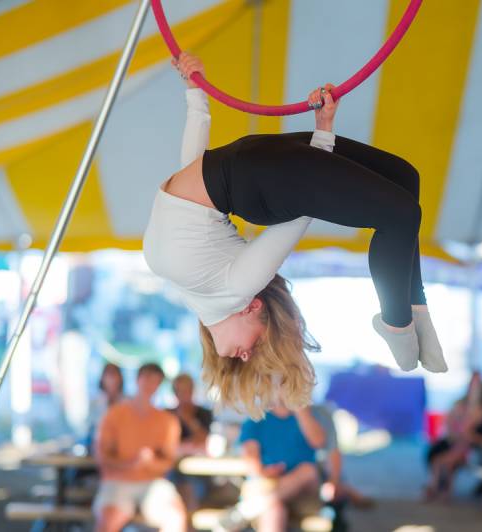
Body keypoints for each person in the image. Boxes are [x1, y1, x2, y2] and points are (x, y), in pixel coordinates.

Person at [143, 53, 448, 417]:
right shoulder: (234, 289)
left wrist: (196, 94)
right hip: (267, 172)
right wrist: (323, 136)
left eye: (243, 356)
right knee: (403, 196)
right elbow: (301, 209)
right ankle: (411, 311)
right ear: (255, 307)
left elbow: (190, 172)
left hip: (259, 166)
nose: (244, 354)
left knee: (402, 197)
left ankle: (398, 321)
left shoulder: (210, 287)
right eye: (255, 350)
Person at [93, 363, 185, 532]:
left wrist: (149, 463)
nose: (150, 385)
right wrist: (130, 464)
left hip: (153, 483)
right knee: (108, 521)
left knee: (176, 518)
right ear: (137, 380)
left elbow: (168, 460)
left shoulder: (167, 421)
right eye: (147, 379)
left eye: (155, 381)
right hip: (117, 482)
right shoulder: (114, 414)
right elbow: (101, 456)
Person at [217, 403, 326, 532]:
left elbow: (319, 442)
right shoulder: (257, 418)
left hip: (303, 493)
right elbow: (251, 459)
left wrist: (302, 412)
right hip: (267, 485)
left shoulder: (308, 416)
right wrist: (264, 472)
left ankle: (246, 510)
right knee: (273, 510)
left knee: (308, 470)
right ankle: (256, 506)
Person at [168, 373, 214, 516]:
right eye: (179, 391)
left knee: (191, 489)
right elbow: (168, 445)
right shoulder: (167, 414)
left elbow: (203, 441)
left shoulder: (204, 413)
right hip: (174, 470)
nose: (184, 395)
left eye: (187, 390)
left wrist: (187, 419)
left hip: (200, 472)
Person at [86, 363, 126, 449]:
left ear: (120, 377)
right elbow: (91, 428)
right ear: (102, 378)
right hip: (99, 447)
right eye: (108, 374)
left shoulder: (127, 402)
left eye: (114, 374)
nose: (111, 379)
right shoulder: (95, 402)